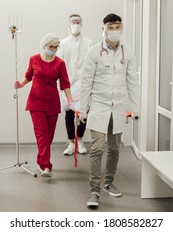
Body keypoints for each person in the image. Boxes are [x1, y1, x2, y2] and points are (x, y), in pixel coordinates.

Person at [79, 13, 140, 208]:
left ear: (122, 28)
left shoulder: (127, 52)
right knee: (98, 148)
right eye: (111, 27)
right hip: (98, 106)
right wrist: (83, 110)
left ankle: (108, 183)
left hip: (119, 106)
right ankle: (94, 190)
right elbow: (86, 82)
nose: (115, 31)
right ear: (103, 28)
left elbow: (132, 81)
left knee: (114, 148)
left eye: (118, 27)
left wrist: (136, 107)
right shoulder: (94, 52)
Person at [14, 33, 72, 177]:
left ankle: (41, 160)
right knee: (42, 134)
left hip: (52, 102)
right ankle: (46, 166)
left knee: (49, 136)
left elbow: (65, 83)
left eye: (55, 47)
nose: (53, 49)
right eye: (50, 46)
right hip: (36, 102)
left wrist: (70, 99)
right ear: (44, 46)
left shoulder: (60, 63)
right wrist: (20, 84)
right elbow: (29, 76)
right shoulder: (34, 59)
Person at [57, 14, 93, 156]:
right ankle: (71, 142)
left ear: (82, 24)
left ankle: (80, 140)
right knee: (69, 113)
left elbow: (91, 63)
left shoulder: (89, 42)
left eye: (78, 22)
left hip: (84, 83)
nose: (76, 24)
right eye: (73, 22)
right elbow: (59, 63)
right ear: (69, 24)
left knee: (84, 112)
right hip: (69, 84)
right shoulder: (63, 43)